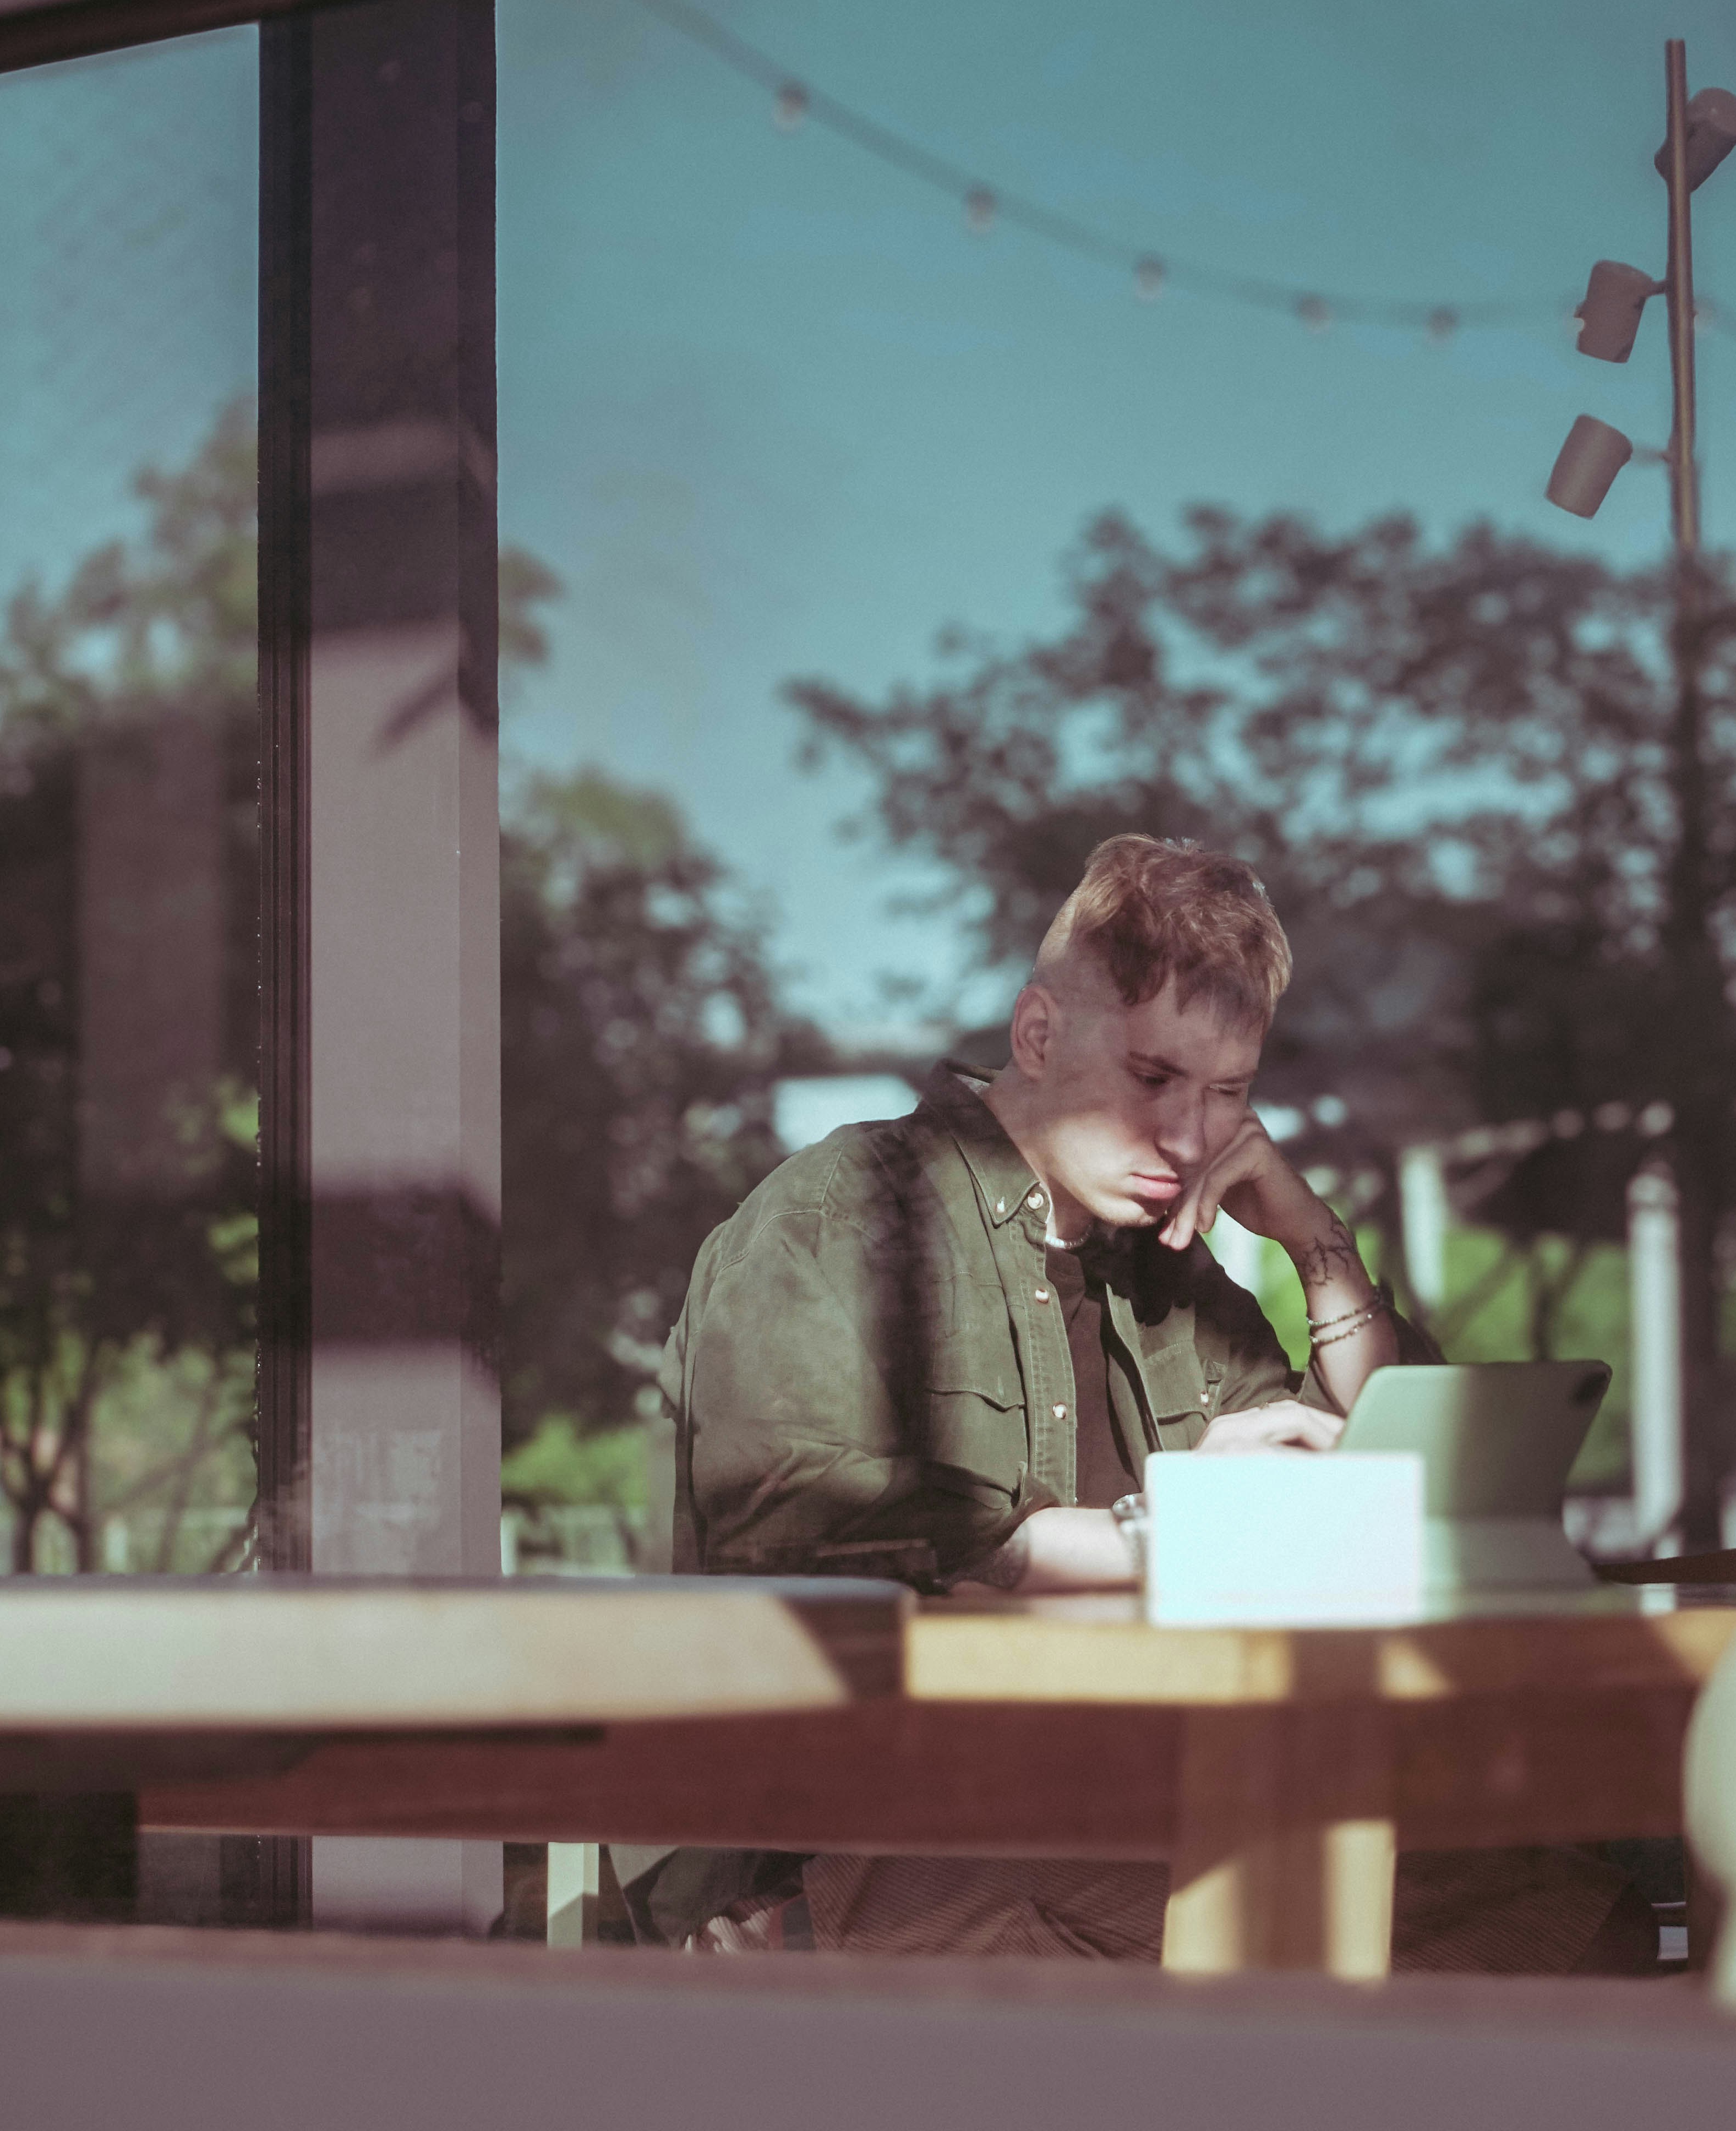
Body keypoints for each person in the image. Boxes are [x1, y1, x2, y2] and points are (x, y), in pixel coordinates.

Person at [644, 835, 1651, 1972]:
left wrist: (1318, 1248)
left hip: (1139, 1789)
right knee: (1524, 1929)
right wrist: (1161, 1529)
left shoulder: (1166, 1271)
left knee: (1570, 1895)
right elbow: (791, 1514)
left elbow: (1379, 1483)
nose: (1187, 1139)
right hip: (889, 1829)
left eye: (1229, 1094)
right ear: (1038, 1035)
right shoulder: (841, 1211)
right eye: (1154, 1078)